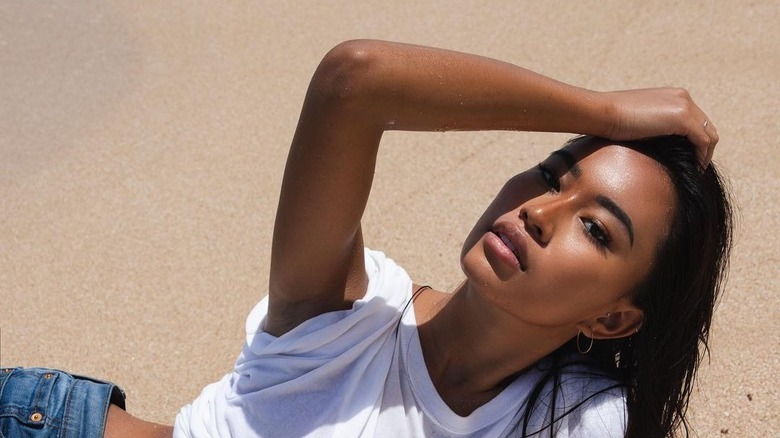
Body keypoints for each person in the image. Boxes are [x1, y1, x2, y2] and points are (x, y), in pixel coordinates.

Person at [0, 40, 732, 438]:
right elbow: (356, 82)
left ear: (611, 319)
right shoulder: (353, 310)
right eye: (550, 173)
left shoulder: (573, 416)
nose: (541, 209)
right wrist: (600, 107)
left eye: (596, 228)